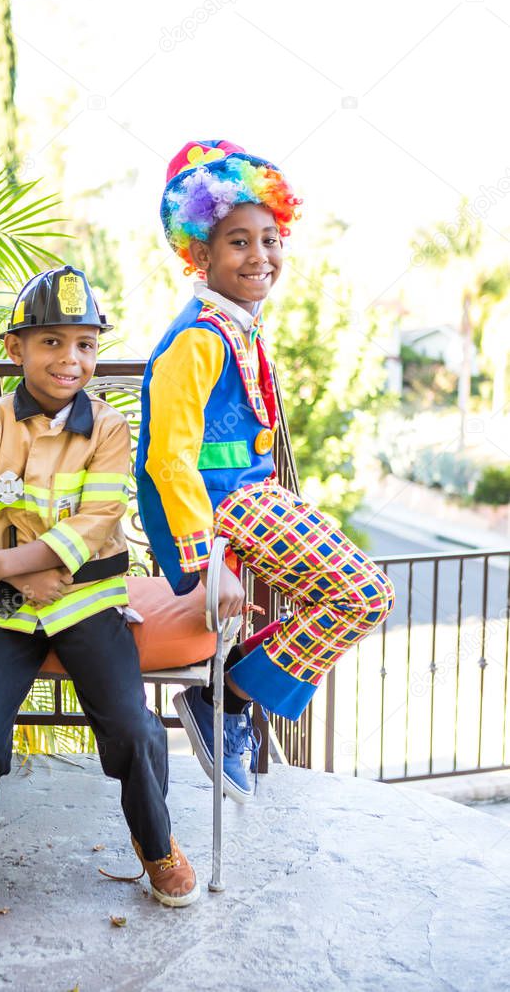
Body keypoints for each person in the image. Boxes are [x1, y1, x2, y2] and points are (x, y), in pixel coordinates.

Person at [0, 265, 199, 928]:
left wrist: (6, 561)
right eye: (50, 342)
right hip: (1, 613)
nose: (69, 359)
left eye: (84, 344)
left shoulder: (107, 428)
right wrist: (9, 578)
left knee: (133, 725)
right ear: (16, 349)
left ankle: (155, 843)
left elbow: (94, 522)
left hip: (85, 603)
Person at [136, 140, 396, 803]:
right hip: (227, 508)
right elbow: (167, 456)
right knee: (362, 593)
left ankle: (227, 698)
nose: (261, 257)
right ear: (199, 253)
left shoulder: (239, 325)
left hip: (253, 496)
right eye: (239, 243)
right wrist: (206, 563)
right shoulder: (197, 338)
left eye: (271, 239)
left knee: (352, 592)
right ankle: (225, 700)